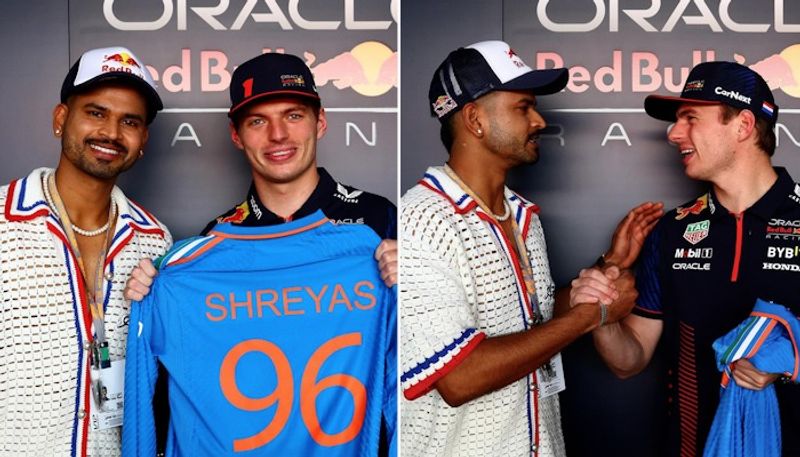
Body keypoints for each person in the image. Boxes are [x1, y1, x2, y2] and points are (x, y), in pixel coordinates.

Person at [121, 52, 397, 456]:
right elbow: (169, 396)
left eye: (294, 115)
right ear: (236, 135)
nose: (278, 135)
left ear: (320, 121)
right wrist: (151, 294)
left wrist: (414, 291)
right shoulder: (212, 246)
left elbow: (413, 368)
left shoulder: (378, 222)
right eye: (257, 121)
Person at [399, 40, 663, 457]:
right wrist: (594, 315)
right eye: (523, 107)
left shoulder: (522, 214)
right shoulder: (422, 219)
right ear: (475, 120)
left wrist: (603, 269)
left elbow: (531, 321)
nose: (539, 121)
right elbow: (459, 378)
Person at [590, 61, 800, 456]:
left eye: (690, 118)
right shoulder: (671, 231)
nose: (672, 133)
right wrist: (599, 313)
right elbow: (629, 360)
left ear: (743, 126)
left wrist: (789, 360)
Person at [0, 46, 171, 456]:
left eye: (129, 121)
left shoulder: (156, 240)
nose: (111, 133)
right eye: (95, 113)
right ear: (61, 119)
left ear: (143, 139)